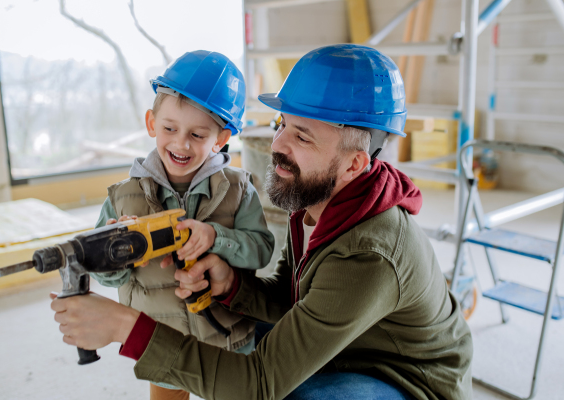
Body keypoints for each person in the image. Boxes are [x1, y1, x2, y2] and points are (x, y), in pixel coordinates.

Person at [51, 45, 473, 400]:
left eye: (302, 136)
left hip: (404, 379)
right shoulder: (317, 203)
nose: (277, 146)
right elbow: (294, 303)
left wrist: (127, 327)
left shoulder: (369, 254)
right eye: (281, 125)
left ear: (354, 164)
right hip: (352, 345)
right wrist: (231, 285)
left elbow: (261, 384)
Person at [89, 50, 275, 400]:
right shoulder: (122, 198)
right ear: (150, 123)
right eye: (169, 128)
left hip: (229, 339)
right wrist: (118, 253)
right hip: (163, 341)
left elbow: (261, 250)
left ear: (220, 139)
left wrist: (216, 238)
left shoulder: (238, 189)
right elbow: (104, 274)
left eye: (198, 134)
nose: (180, 143)